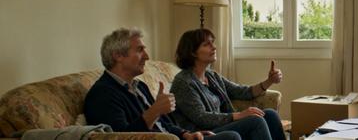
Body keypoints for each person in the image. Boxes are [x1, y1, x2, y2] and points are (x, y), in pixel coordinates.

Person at [84, 28, 240, 140]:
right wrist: (154, 112)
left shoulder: (140, 86)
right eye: (140, 50)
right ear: (118, 55)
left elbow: (165, 124)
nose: (147, 56)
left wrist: (185, 134)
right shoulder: (102, 95)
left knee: (249, 124)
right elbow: (122, 136)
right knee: (231, 137)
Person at [170, 28, 285, 140]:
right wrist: (238, 115)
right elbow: (201, 117)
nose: (214, 47)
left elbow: (242, 92)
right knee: (255, 121)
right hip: (203, 133)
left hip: (221, 126)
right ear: (192, 52)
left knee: (270, 114)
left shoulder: (212, 76)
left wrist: (269, 81)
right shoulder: (184, 82)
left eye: (212, 43)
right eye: (206, 44)